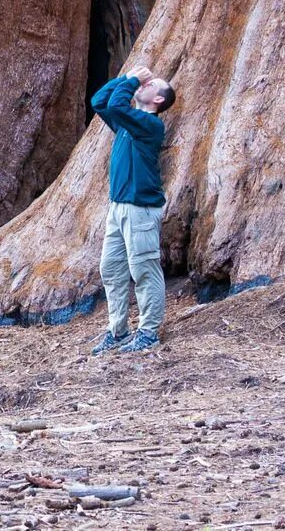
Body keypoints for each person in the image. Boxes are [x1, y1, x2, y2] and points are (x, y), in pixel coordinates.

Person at [87, 65, 175, 354]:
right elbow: (100, 102)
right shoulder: (127, 124)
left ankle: (148, 333)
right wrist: (125, 79)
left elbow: (115, 104)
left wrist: (132, 81)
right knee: (111, 269)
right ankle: (118, 331)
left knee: (144, 270)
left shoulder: (149, 125)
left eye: (151, 85)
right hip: (118, 208)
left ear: (158, 99)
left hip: (141, 210)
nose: (144, 86)